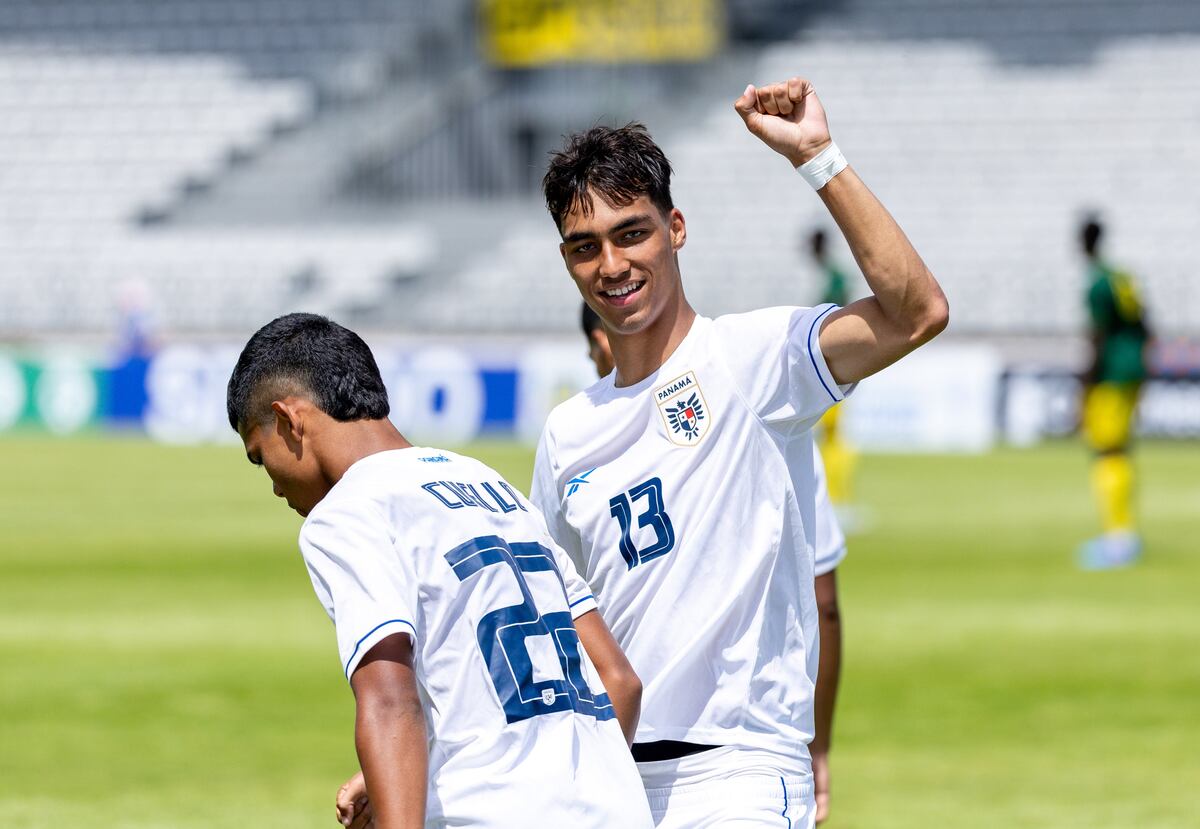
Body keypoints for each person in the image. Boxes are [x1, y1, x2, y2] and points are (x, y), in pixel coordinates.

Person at [529, 76, 947, 827]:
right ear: (567, 262)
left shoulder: (750, 359)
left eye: (632, 232)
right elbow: (554, 626)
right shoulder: (567, 433)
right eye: (585, 247)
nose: (612, 265)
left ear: (676, 227)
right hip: (611, 782)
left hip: (739, 776)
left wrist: (817, 155)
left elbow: (917, 312)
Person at [227, 313, 654, 829]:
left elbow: (390, 703)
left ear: (289, 420)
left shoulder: (347, 513)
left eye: (260, 456)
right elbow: (618, 680)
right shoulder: (496, 490)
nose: (273, 485)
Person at [584, 299, 847, 824]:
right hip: (746, 758)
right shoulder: (770, 414)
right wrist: (817, 743)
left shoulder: (574, 439)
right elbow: (825, 602)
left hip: (639, 759)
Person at [1077, 217, 1151, 569]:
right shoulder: (1123, 277)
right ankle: (1123, 535)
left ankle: (1119, 538)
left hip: (1111, 375)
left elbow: (1098, 335)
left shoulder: (1098, 283)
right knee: (1120, 451)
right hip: (1132, 369)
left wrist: (1086, 380)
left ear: (1083, 242)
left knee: (1107, 453)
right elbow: (1146, 324)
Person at [807, 229, 857, 518]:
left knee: (832, 438)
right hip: (825, 365)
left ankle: (836, 501)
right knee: (831, 438)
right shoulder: (832, 274)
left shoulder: (833, 277)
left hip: (826, 366)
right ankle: (834, 500)